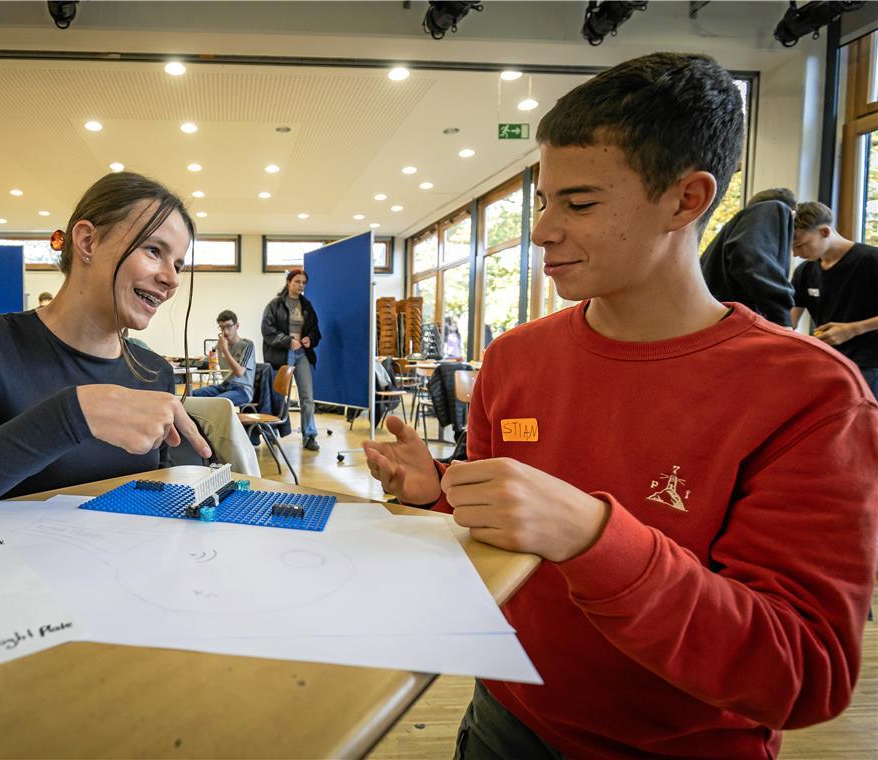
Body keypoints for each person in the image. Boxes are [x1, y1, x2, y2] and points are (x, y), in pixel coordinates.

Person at [363, 53, 877, 760]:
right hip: (504, 718)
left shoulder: (811, 394)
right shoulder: (515, 358)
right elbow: (507, 541)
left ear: (686, 200)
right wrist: (436, 499)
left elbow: (803, 673)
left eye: (579, 204)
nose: (542, 231)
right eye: (543, 202)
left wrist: (596, 536)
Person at [0, 172, 211, 525]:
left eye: (178, 265)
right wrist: (73, 416)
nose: (171, 279)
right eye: (154, 251)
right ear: (88, 241)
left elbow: (160, 502)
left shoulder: (154, 373)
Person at [791, 200, 878, 397]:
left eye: (800, 245)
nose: (796, 254)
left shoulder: (871, 261)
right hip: (829, 361)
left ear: (824, 232)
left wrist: (853, 329)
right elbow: (790, 320)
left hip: (870, 365)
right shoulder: (805, 271)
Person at [699, 187, 797, 326]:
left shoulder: (731, 229)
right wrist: (781, 317)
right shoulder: (773, 207)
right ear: (791, 213)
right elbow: (750, 258)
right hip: (732, 323)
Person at [261, 269, 322, 451]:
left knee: (307, 397)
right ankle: (272, 433)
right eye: (297, 281)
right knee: (278, 396)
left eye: (303, 282)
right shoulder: (275, 305)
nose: (300, 285)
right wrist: (288, 341)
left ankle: (310, 436)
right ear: (289, 282)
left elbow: (315, 330)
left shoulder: (306, 305)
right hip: (282, 355)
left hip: (302, 354)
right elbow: (267, 330)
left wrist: (309, 338)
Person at [191, 310, 256, 407]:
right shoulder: (221, 344)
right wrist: (185, 361)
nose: (225, 332)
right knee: (191, 395)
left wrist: (225, 350)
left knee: (216, 402)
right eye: (221, 328)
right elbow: (209, 359)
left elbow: (239, 372)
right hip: (224, 385)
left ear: (237, 326)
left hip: (242, 390)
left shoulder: (247, 345)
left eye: (228, 327)